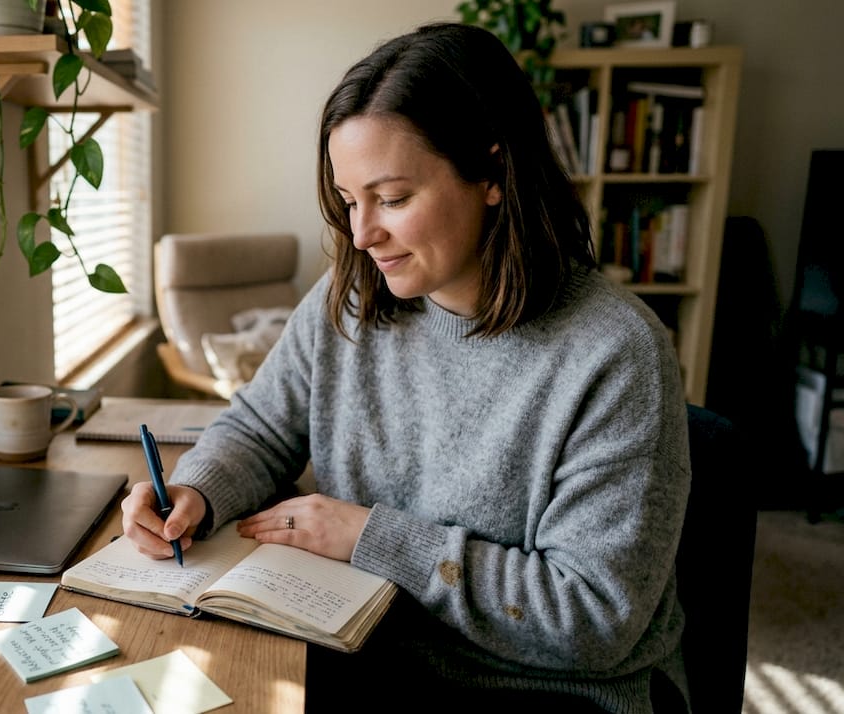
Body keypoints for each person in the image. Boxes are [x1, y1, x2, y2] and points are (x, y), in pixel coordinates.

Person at [121, 22, 691, 714]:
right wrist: (198, 490)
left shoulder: (616, 354)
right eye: (349, 200)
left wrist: (371, 537)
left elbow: (593, 619)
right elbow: (260, 426)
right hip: (362, 643)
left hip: (551, 688)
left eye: (390, 199)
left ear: (493, 173)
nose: (361, 234)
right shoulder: (352, 298)